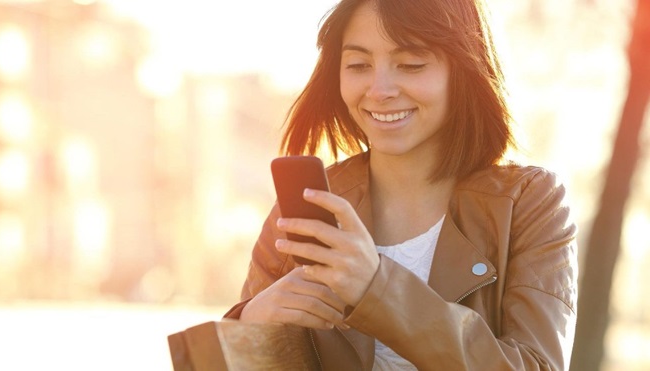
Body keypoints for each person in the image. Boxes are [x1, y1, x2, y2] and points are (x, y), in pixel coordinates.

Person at [223, 0, 578, 369]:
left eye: (410, 64)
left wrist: (377, 288)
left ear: (465, 69)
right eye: (358, 65)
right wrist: (247, 324)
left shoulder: (528, 203)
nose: (380, 90)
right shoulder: (306, 209)